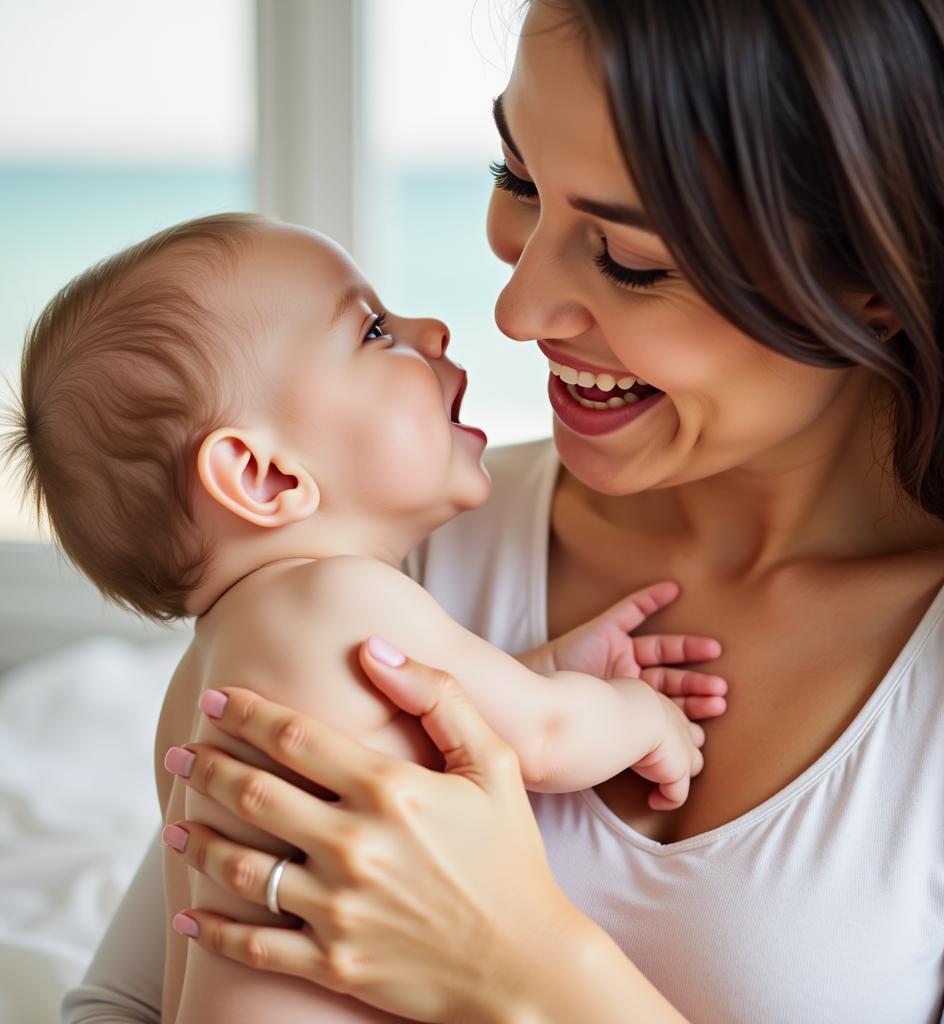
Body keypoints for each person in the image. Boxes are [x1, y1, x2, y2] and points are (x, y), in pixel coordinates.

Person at [63, 0, 944, 1020]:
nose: (514, 312)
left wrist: (524, 970)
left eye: (631, 257)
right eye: (516, 178)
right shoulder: (388, 541)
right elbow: (125, 1002)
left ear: (880, 273)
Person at [6, 211, 731, 1022]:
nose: (431, 328)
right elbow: (548, 739)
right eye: (374, 330)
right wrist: (640, 715)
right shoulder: (342, 596)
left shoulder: (201, 681)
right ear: (263, 476)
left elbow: (404, 724)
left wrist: (537, 668)